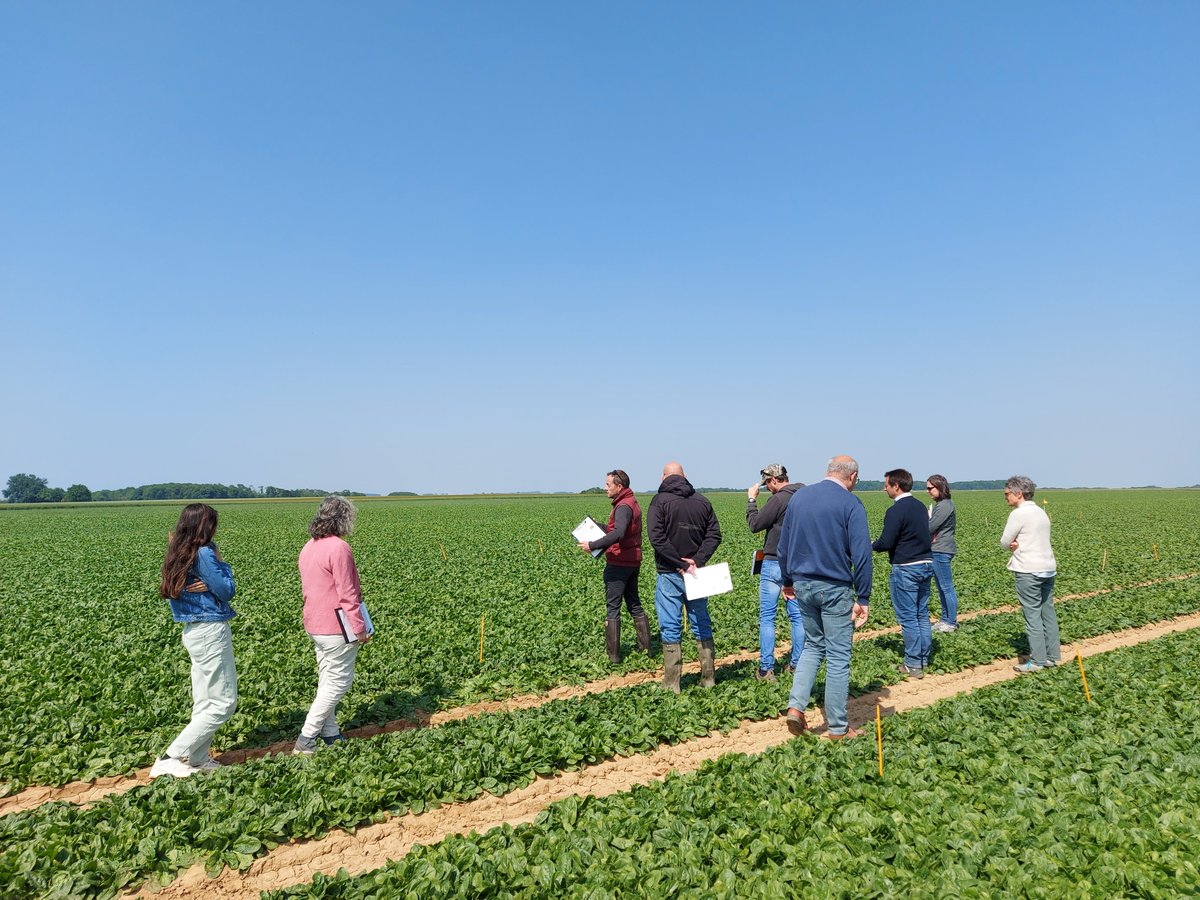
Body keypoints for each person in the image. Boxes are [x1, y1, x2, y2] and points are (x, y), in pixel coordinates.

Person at [780, 455, 872, 739]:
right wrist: (864, 597)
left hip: (802, 584)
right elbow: (862, 553)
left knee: (812, 646)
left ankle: (796, 707)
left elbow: (784, 543)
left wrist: (787, 580)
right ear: (852, 477)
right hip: (834, 588)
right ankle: (837, 728)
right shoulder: (850, 503)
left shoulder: (800, 497)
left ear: (828, 471)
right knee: (838, 656)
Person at [151, 503, 237, 779]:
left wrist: (208, 581)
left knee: (204, 701)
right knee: (224, 703)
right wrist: (221, 563)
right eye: (213, 523)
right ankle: (169, 757)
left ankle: (199, 759)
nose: (216, 529)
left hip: (192, 631)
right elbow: (226, 590)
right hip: (210, 630)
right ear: (203, 526)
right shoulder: (203, 553)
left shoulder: (178, 551)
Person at [295, 495, 371, 754]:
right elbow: (347, 594)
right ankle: (306, 739)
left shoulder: (309, 546)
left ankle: (330, 733)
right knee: (338, 683)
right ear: (344, 518)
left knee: (326, 679)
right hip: (337, 626)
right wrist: (359, 628)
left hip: (314, 625)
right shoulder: (339, 547)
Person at [646, 461, 722, 693]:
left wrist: (679, 563)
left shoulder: (659, 502)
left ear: (663, 478)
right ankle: (708, 679)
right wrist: (695, 561)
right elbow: (715, 535)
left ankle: (672, 684)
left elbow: (656, 539)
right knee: (701, 622)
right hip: (697, 573)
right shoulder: (702, 501)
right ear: (685, 476)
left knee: (670, 626)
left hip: (669, 573)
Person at [578, 469, 650, 662]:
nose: (605, 488)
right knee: (634, 603)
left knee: (613, 608)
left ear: (619, 486)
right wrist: (599, 527)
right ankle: (645, 649)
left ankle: (613, 657)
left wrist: (592, 545)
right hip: (632, 561)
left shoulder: (623, 506)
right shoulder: (630, 501)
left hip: (619, 563)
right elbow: (621, 530)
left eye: (608, 484)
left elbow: (618, 533)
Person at [873, 468, 935, 678]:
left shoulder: (896, 510)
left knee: (908, 616)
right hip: (927, 563)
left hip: (906, 567)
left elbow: (887, 541)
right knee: (922, 613)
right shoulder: (919, 506)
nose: (884, 488)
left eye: (886, 484)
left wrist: (872, 545)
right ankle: (924, 658)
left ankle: (913, 664)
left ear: (896, 486)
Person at [746, 463, 805, 681]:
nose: (767, 488)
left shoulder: (778, 499)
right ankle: (797, 664)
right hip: (800, 563)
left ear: (773, 480)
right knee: (798, 617)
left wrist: (752, 500)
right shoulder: (805, 495)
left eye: (767, 484)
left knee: (768, 617)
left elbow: (755, 524)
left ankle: (766, 669)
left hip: (774, 562)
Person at [1001, 476, 1061, 672]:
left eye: (1007, 493)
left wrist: (1014, 543)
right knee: (1047, 612)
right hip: (1048, 567)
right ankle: (1052, 657)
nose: (1006, 497)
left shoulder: (1018, 514)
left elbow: (1004, 542)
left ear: (1019, 494)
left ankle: (1036, 661)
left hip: (1028, 569)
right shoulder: (1041, 512)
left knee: (1032, 615)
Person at [925, 474, 960, 632]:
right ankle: (945, 619)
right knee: (942, 587)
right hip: (938, 549)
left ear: (940, 487)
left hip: (941, 549)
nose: (928, 492)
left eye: (930, 488)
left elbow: (931, 527)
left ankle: (951, 622)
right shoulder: (942, 504)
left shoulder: (945, 505)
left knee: (946, 587)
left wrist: (926, 521)